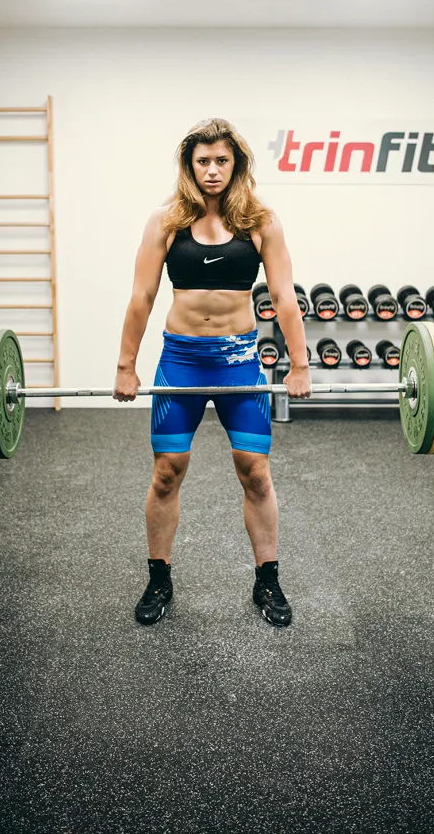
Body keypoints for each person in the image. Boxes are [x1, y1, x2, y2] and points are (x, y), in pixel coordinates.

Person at [113, 118, 313, 627]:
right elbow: (142, 296)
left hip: (240, 362)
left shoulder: (261, 221)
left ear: (236, 164)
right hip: (181, 360)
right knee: (166, 473)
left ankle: (267, 580)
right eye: (202, 161)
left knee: (256, 472)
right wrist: (125, 366)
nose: (212, 170)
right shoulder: (166, 221)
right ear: (189, 165)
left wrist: (299, 364)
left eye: (222, 160)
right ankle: (159, 578)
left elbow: (284, 297)